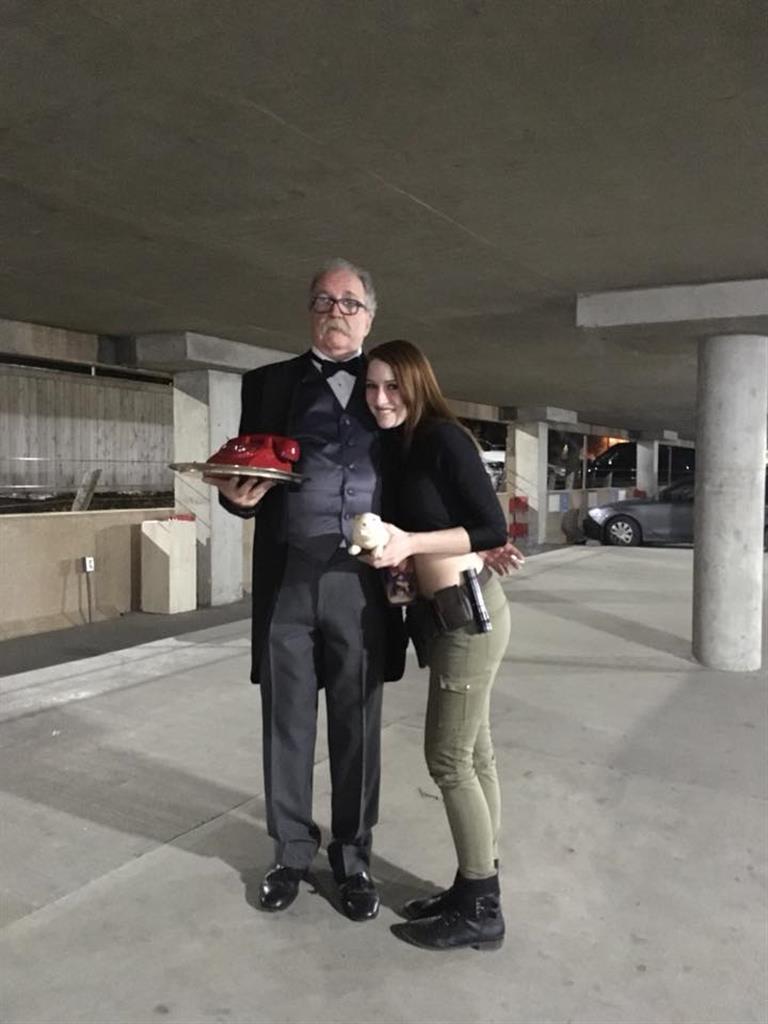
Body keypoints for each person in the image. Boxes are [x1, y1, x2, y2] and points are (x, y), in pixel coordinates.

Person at [209, 258, 406, 922]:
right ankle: (291, 851)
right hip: (289, 577)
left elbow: (420, 472)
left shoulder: (392, 385)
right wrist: (236, 499)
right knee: (287, 723)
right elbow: (246, 468)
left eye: (349, 302)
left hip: (364, 584)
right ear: (309, 312)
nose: (335, 312)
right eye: (323, 300)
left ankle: (353, 858)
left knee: (357, 725)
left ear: (370, 316)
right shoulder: (267, 384)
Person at [361, 339, 513, 952]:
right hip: (443, 617)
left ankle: (481, 907)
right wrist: (394, 556)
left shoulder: (444, 439)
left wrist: (410, 543)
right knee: (476, 756)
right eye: (371, 387)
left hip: (467, 617)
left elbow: (492, 526)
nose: (380, 399)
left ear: (417, 384)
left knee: (448, 760)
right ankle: (475, 884)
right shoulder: (399, 446)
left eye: (392, 386)